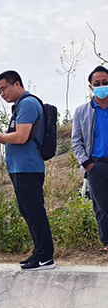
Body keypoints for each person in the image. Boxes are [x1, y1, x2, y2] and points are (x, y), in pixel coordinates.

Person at [0, 70, 55, 270]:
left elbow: (21, 136)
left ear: (17, 84)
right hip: (20, 168)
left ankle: (46, 257)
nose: (2, 94)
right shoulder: (20, 106)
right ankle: (39, 253)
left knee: (34, 210)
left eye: (3, 88)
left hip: (27, 168)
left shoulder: (28, 104)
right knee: (28, 211)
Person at [72, 65, 108, 252]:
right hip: (96, 165)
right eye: (97, 83)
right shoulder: (82, 111)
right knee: (101, 206)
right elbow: (76, 141)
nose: (101, 86)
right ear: (90, 86)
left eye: (105, 82)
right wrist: (87, 164)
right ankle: (107, 242)